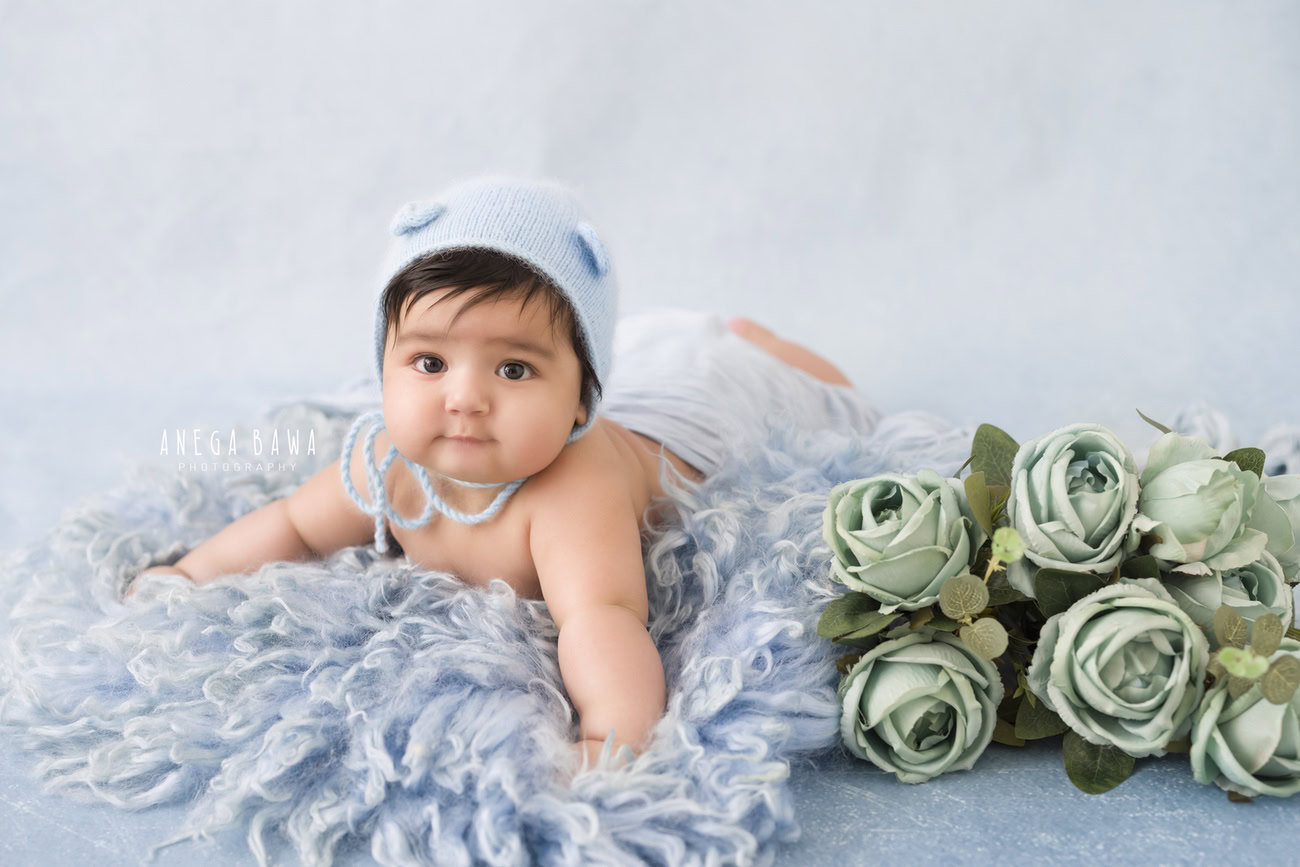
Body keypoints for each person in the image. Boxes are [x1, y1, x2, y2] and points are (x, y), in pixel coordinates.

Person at [128, 176, 880, 771]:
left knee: (738, 360)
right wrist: (190, 576)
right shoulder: (382, 459)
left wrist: (609, 737)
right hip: (632, 370)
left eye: (514, 368)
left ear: (580, 397)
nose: (465, 398)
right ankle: (648, 338)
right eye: (428, 361)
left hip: (696, 409)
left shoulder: (569, 489)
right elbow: (292, 523)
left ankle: (761, 339)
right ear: (382, 365)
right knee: (658, 342)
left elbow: (602, 618)